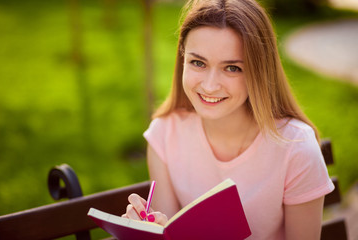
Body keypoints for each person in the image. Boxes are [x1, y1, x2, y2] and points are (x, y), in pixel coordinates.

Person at [122, 0, 335, 239]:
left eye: (232, 68)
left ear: (259, 71)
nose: (210, 86)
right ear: (182, 60)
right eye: (198, 62)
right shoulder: (164, 134)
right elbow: (169, 230)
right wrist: (152, 230)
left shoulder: (295, 147)